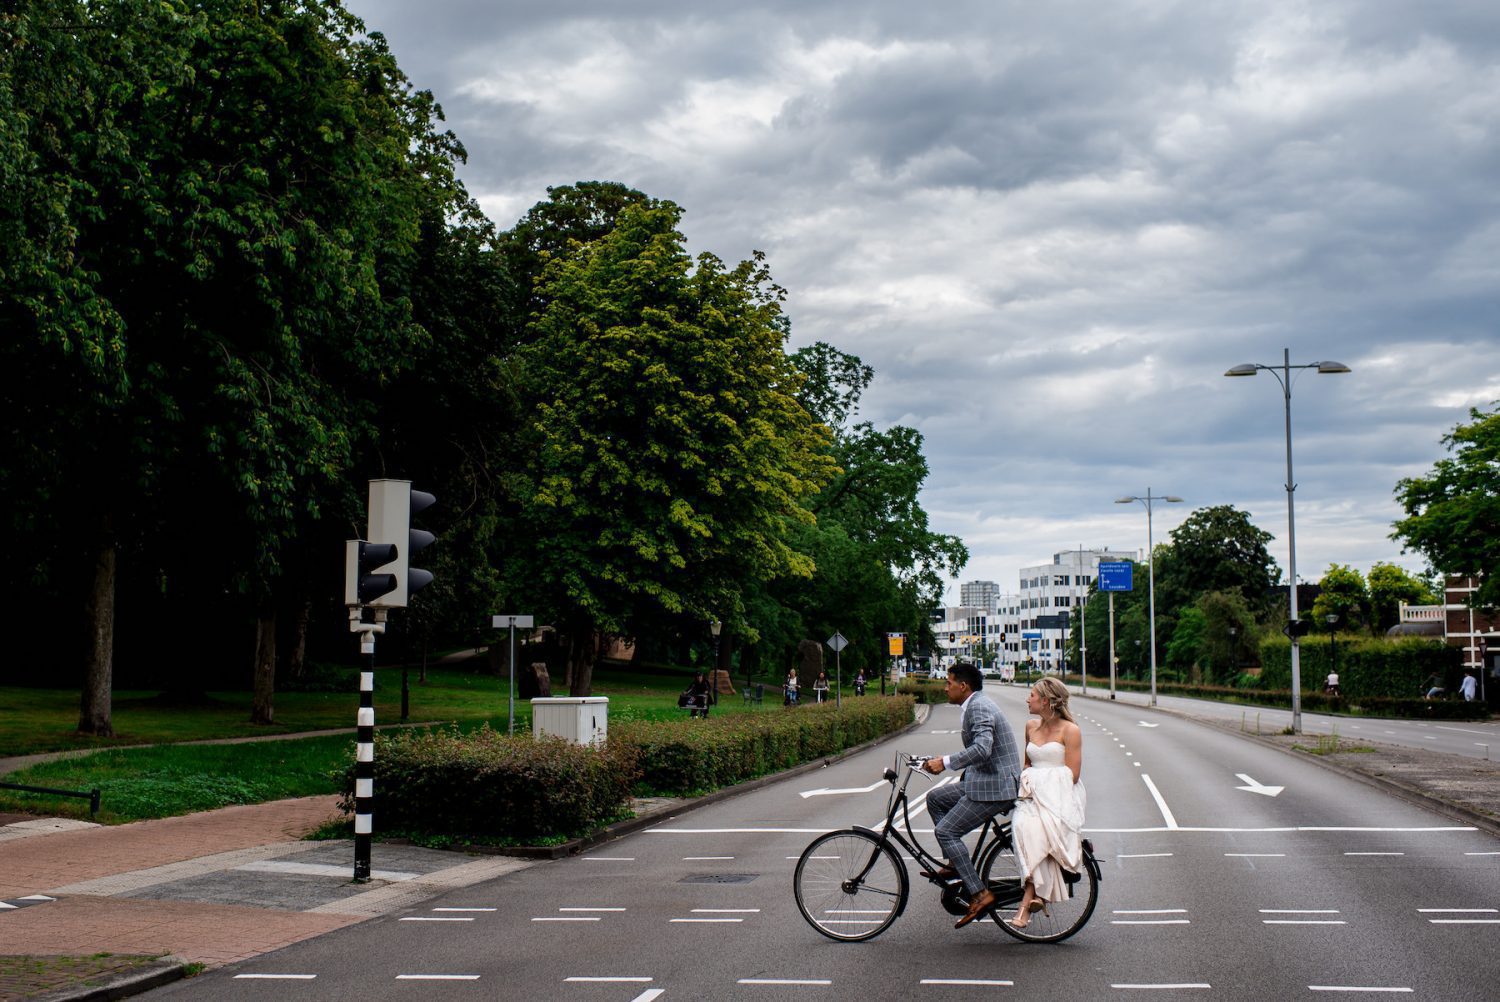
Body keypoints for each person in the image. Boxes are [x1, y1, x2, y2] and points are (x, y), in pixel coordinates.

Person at [919, 662, 1023, 929]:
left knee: (946, 832)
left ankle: (979, 893)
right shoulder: (974, 704)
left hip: (996, 787)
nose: (945, 687)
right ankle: (955, 863)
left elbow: (983, 748)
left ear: (963, 686)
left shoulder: (978, 706)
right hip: (985, 780)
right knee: (935, 799)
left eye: (949, 683)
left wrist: (946, 762)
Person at [1008, 676, 1086, 930]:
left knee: (1044, 831)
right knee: (1024, 828)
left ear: (1046, 701)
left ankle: (1026, 903)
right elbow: (1027, 766)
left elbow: (1072, 774)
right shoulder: (1031, 726)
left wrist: (1038, 781)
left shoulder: (1070, 730)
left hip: (1059, 798)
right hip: (1031, 797)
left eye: (1031, 695)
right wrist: (1027, 783)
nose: (1027, 699)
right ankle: (1038, 896)